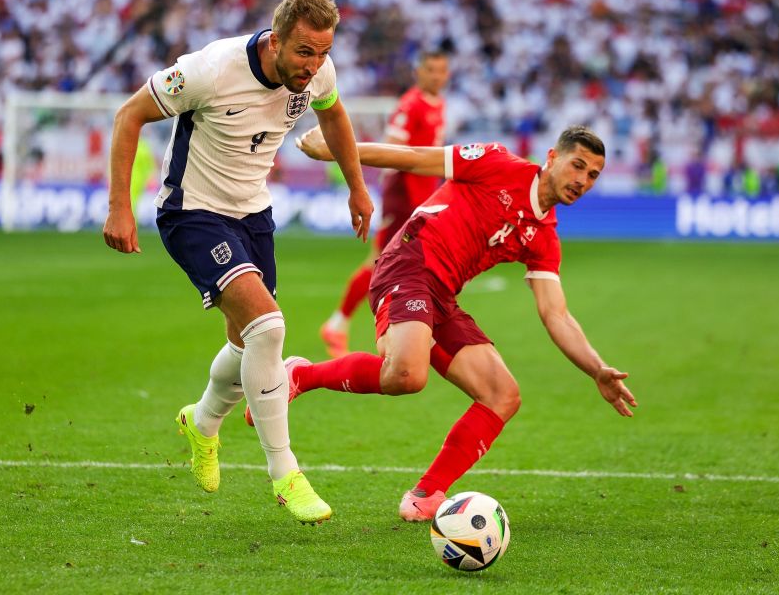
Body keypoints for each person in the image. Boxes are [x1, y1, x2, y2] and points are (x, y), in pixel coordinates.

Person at [264, 124, 636, 522]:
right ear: (551, 158)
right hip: (409, 264)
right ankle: (302, 375)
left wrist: (596, 368)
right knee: (408, 375)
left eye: (592, 175)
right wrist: (340, 151)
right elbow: (414, 158)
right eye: (577, 165)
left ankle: (427, 493)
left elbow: (555, 314)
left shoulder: (543, 235)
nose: (582, 180)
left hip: (442, 295)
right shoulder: (496, 162)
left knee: (503, 395)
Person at [102, 0, 374, 525]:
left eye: (322, 53)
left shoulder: (318, 72)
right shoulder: (210, 69)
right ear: (276, 40)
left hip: (253, 214)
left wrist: (357, 188)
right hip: (193, 212)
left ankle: (201, 424)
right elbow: (128, 115)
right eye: (303, 52)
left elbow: (336, 117)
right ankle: (285, 473)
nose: (313, 66)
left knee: (245, 339)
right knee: (269, 329)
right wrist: (119, 209)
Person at [319, 50, 450, 358]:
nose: (437, 76)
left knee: (415, 262)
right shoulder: (410, 105)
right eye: (431, 70)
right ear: (418, 72)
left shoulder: (439, 104)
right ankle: (341, 324)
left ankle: (417, 329)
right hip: (403, 195)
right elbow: (391, 148)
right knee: (382, 262)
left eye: (442, 71)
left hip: (423, 196)